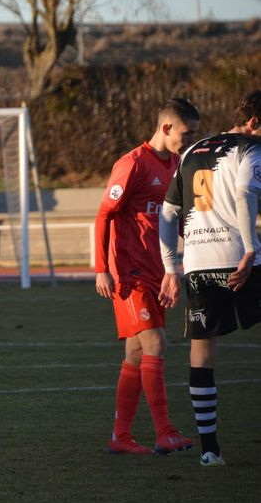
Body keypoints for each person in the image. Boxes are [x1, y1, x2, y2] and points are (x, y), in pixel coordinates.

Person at [159, 89, 261, 468]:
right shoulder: (250, 149)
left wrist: (171, 268)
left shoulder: (190, 151)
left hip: (199, 264)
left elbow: (167, 216)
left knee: (202, 353)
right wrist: (249, 249)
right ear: (253, 123)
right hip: (240, 258)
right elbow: (245, 193)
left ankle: (208, 449)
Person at [95, 98, 201, 457]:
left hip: (158, 273)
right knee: (156, 344)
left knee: (136, 353)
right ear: (167, 127)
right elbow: (103, 216)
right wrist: (101, 269)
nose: (189, 141)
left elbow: (176, 220)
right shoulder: (132, 164)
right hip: (130, 274)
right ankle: (164, 432)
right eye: (187, 133)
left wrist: (176, 270)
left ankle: (120, 437)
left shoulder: (176, 165)